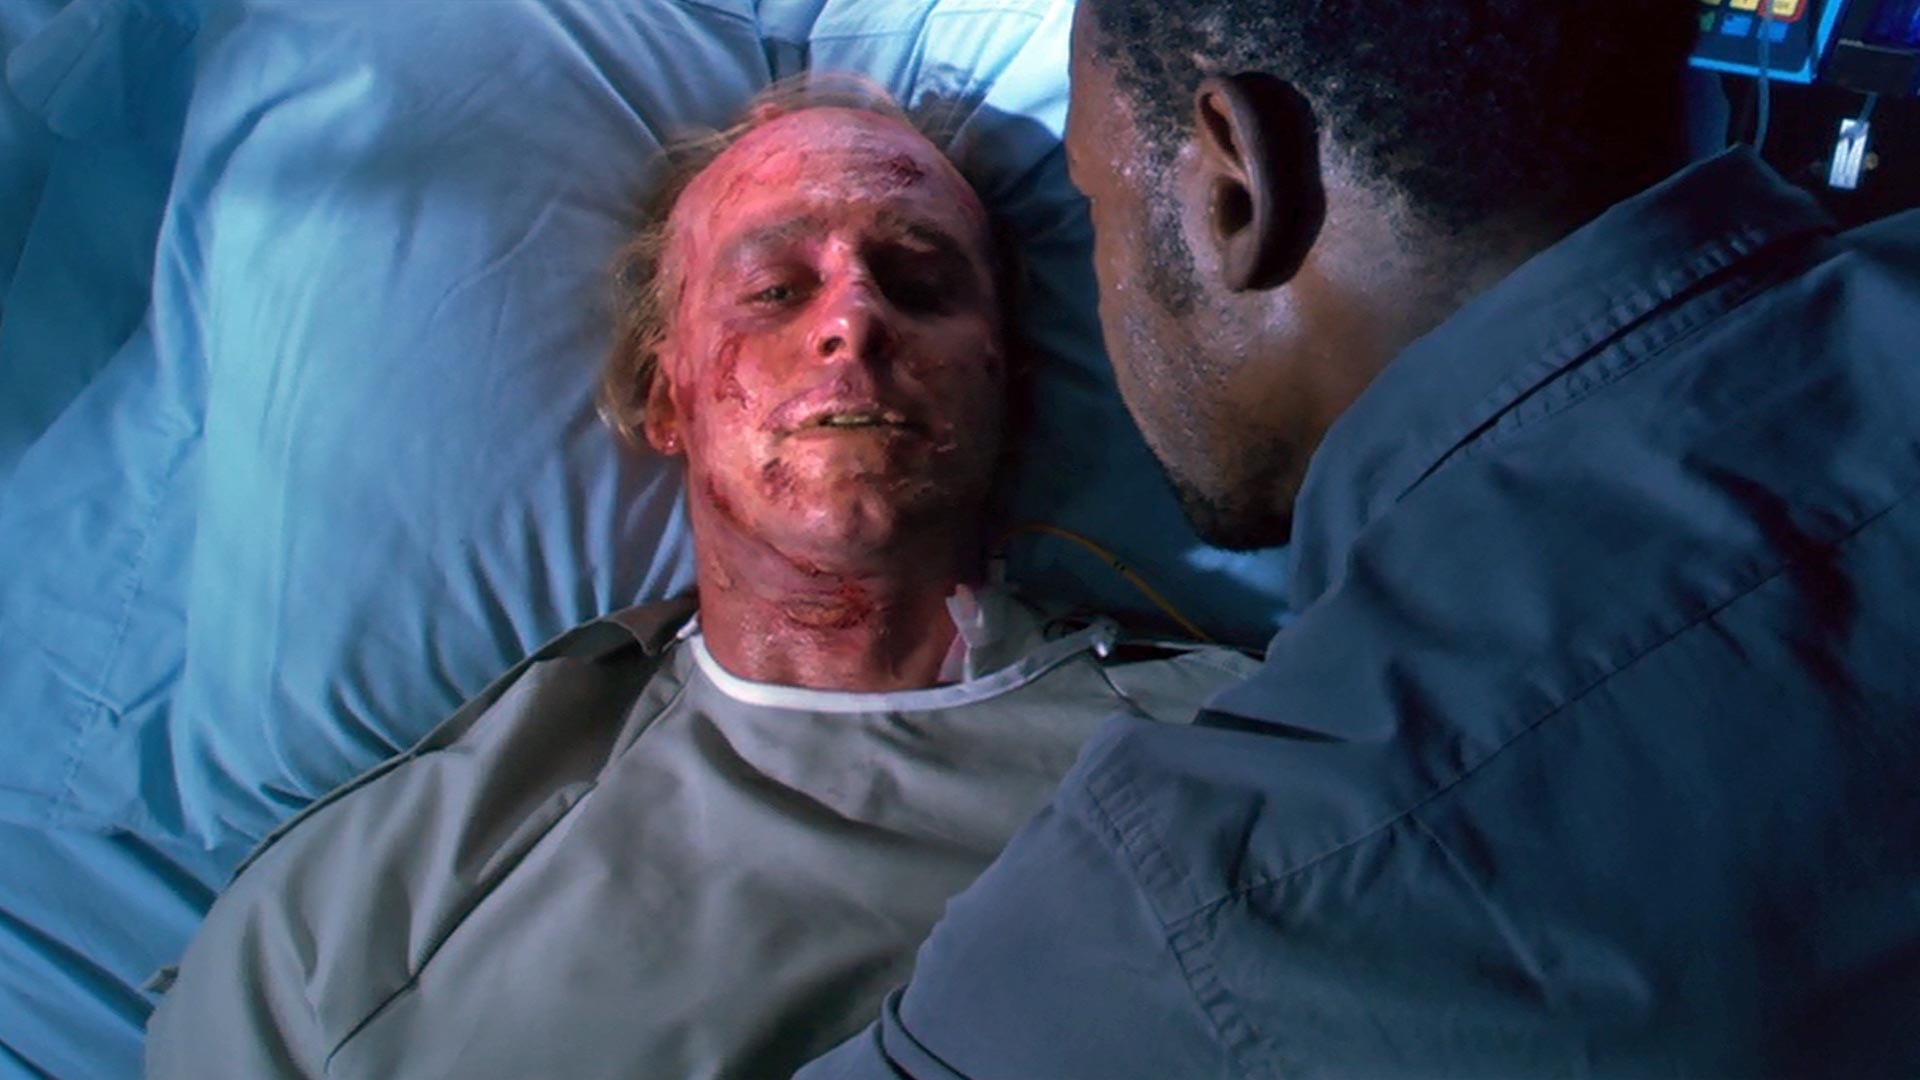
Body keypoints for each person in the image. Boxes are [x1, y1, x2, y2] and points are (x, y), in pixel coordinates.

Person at [799, 3, 1920, 1078]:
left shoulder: (1225, 910)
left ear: (1237, 190)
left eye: (1092, 206)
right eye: (774, 287)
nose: (852, 327)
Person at [142, 82, 1256, 1080]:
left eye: (921, 284)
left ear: (1005, 379)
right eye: (774, 289)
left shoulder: (1244, 759)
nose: (854, 318)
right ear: (662, 394)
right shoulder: (352, 923)